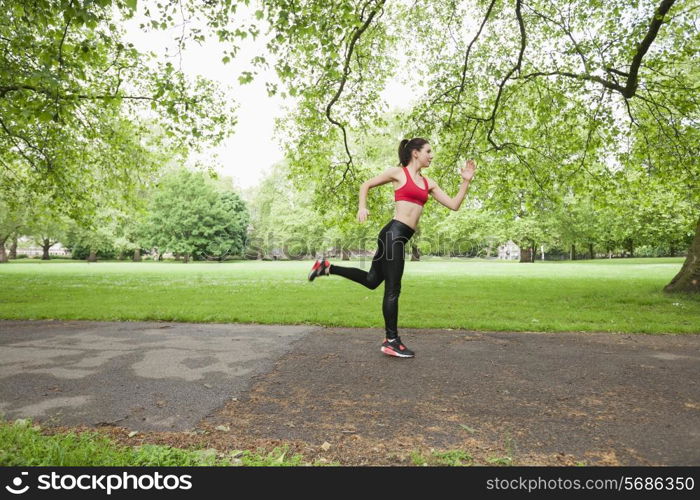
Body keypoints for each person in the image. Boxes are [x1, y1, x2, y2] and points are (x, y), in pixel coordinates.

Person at [308, 138, 477, 358]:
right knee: (392, 289)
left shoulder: (429, 183)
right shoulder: (399, 173)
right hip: (393, 235)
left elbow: (454, 205)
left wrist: (466, 181)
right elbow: (365, 184)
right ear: (415, 153)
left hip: (398, 237)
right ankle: (391, 340)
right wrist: (362, 207)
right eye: (428, 151)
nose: (431, 155)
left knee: (372, 281)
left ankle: (327, 267)